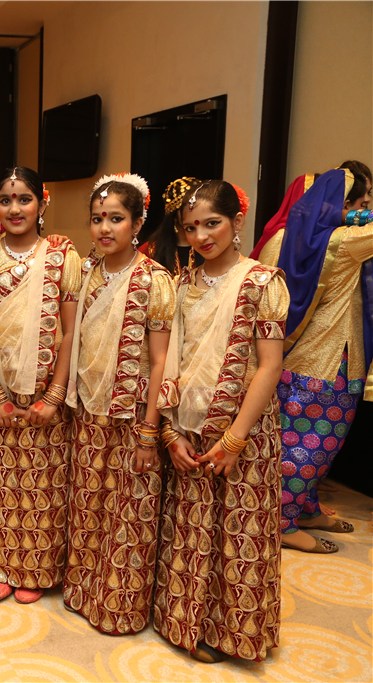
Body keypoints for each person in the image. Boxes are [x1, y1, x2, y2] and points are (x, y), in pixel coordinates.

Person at [155, 179, 287, 663]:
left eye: (212, 224)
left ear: (237, 221)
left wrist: (234, 440)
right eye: (191, 228)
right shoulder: (180, 285)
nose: (201, 237)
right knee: (191, 525)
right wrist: (169, 430)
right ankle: (182, 620)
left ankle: (231, 632)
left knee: (237, 530)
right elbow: (169, 361)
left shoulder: (263, 283)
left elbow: (269, 366)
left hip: (243, 429)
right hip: (188, 425)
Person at [0, 166, 81, 604]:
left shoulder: (63, 259)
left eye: (24, 199)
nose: (15, 208)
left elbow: (71, 332)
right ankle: (0, 566)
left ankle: (34, 569)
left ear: (42, 204)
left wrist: (54, 396)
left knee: (42, 484)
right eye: (6, 200)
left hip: (46, 395)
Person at [62, 174, 174, 634]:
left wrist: (150, 431)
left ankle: (119, 607)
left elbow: (162, 360)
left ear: (138, 223)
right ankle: (82, 592)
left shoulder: (154, 280)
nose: (105, 228)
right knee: (88, 504)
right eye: (97, 219)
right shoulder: (85, 272)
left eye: (116, 219)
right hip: (89, 411)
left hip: (133, 414)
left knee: (130, 510)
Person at [256, 162, 372, 553]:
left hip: (285, 359)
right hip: (330, 364)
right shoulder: (345, 241)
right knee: (311, 447)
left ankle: (305, 509)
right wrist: (358, 219)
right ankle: (282, 522)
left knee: (292, 441)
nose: (364, 211)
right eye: (361, 204)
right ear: (343, 206)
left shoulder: (280, 238)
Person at [140, 177, 203, 278]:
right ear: (175, 214)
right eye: (188, 207)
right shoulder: (151, 250)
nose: (195, 213)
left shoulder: (209, 245)